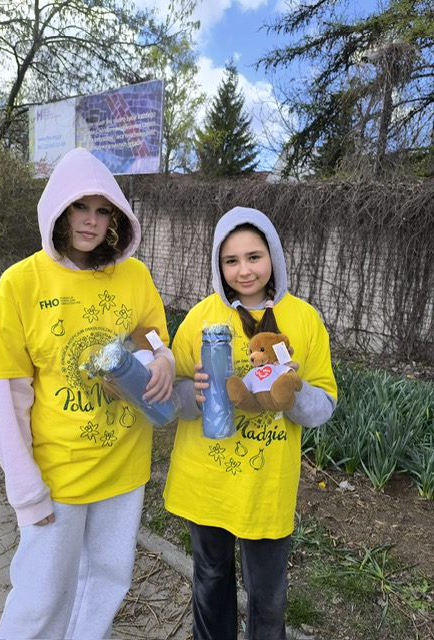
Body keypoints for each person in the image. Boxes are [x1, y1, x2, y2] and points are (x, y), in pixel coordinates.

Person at [0, 147, 175, 640]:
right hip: (57, 476)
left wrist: (163, 360)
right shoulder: (19, 285)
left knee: (105, 585)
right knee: (41, 597)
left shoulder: (135, 276)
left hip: (123, 466)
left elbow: (153, 335)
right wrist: (26, 491)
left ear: (116, 218)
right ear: (57, 210)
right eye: (79, 207)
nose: (91, 221)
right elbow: (6, 397)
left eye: (102, 210)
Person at [163, 206, 337, 640]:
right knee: (210, 581)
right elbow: (172, 396)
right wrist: (193, 395)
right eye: (231, 260)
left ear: (273, 256)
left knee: (269, 596)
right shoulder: (201, 318)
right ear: (218, 265)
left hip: (267, 489)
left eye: (254, 257)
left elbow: (325, 405)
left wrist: (293, 392)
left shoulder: (304, 319)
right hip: (206, 485)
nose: (244, 270)